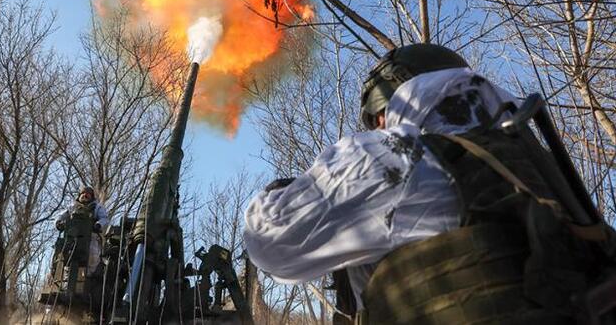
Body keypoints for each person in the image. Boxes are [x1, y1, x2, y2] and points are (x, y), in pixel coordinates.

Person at [244, 44, 614, 324]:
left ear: (388, 109)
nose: (380, 129)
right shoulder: (535, 167)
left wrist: (283, 192)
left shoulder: (402, 158)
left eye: (378, 121)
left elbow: (270, 243)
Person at [56, 186, 109, 276]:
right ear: (79, 195)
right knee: (64, 254)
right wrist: (58, 223)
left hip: (90, 236)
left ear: (91, 196)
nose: (85, 195)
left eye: (88, 194)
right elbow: (60, 216)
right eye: (83, 193)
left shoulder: (97, 207)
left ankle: (89, 276)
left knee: (93, 255)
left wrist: (98, 224)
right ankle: (67, 276)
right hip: (72, 237)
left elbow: (104, 218)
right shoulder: (72, 207)